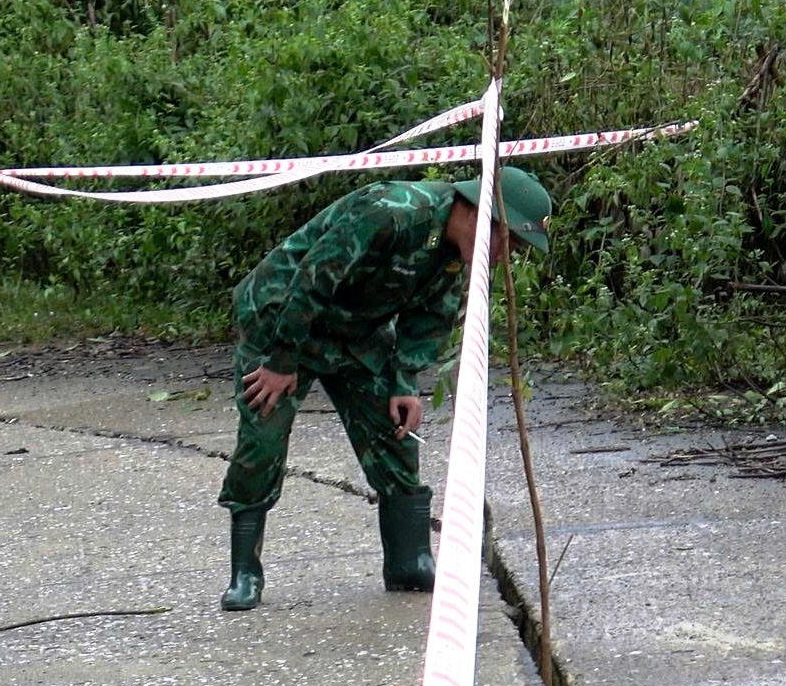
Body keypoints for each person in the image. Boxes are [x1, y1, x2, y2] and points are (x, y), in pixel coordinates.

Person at [217, 167, 553, 611]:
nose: (504, 255)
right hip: (282, 319)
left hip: (356, 334)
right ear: (476, 213)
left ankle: (408, 561)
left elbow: (430, 317)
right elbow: (314, 278)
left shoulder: (455, 251)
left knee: (395, 431)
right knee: (263, 436)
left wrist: (403, 383)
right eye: (505, 239)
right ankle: (245, 572)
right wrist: (281, 361)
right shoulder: (393, 213)